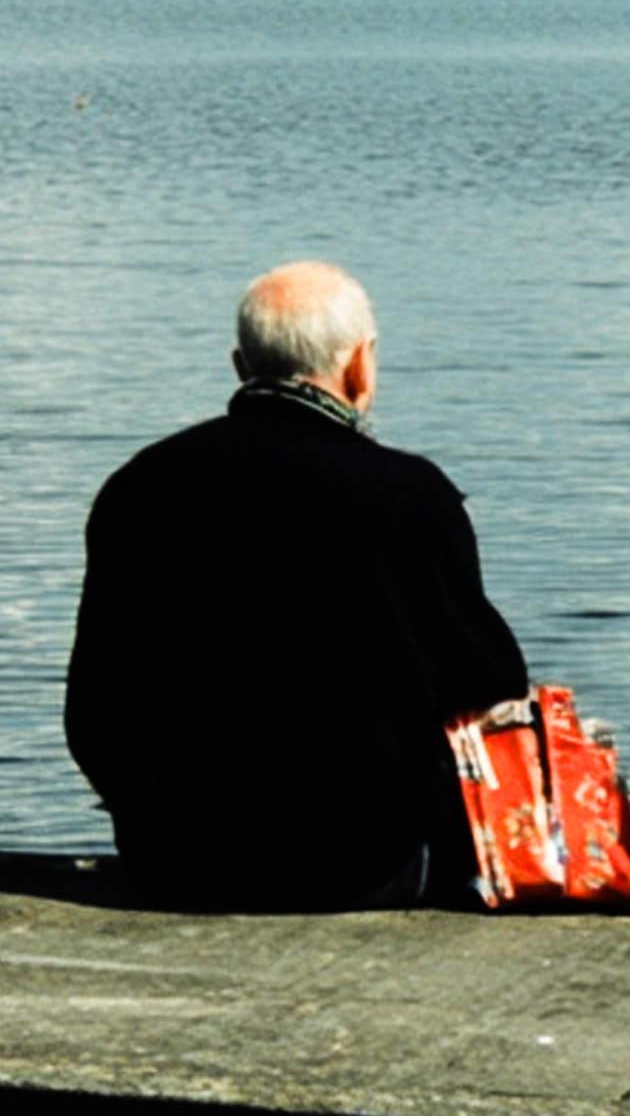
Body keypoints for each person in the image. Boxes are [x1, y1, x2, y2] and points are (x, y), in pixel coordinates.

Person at [65, 260, 528, 913]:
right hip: (365, 865)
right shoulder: (411, 494)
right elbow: (490, 685)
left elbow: (92, 712)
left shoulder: (138, 485)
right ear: (360, 365)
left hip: (175, 862)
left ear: (240, 366)